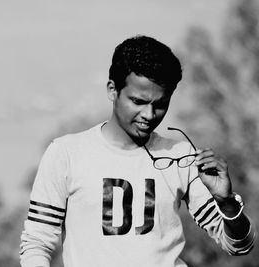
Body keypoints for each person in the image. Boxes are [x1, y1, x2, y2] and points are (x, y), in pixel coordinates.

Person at [19, 35, 255, 267]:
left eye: (161, 104)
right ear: (113, 90)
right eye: (139, 102)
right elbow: (36, 244)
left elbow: (240, 246)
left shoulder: (181, 156)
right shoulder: (66, 154)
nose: (149, 115)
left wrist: (227, 203)